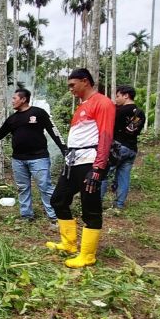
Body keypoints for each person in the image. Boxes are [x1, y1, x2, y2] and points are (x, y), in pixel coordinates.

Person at [47, 68, 115, 268]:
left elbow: (105, 135)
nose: (70, 90)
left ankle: (87, 255)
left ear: (85, 81)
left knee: (90, 208)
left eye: (72, 85)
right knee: (58, 199)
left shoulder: (103, 103)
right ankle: (69, 245)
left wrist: (98, 167)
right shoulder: (82, 105)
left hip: (90, 162)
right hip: (73, 162)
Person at [0, 89, 67, 222]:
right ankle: (26, 215)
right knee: (23, 188)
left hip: (39, 158)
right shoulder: (13, 119)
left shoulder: (38, 113)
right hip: (18, 160)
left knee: (45, 187)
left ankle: (54, 216)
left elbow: (53, 131)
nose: (12, 101)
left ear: (23, 99)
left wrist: (64, 149)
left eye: (14, 98)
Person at [101, 85, 145, 209]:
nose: (116, 98)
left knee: (102, 173)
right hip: (132, 149)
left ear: (126, 96)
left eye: (118, 95)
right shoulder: (140, 112)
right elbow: (133, 130)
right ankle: (119, 205)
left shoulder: (119, 111)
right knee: (124, 177)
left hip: (118, 147)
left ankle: (96, 203)